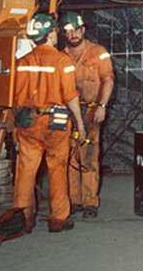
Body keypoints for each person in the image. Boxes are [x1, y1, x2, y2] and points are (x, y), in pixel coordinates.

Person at [11, 13, 87, 233]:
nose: (57, 33)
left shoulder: (22, 63)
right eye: (54, 30)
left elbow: (15, 98)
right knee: (57, 169)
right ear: (50, 34)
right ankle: (58, 220)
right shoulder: (62, 61)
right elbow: (71, 96)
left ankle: (22, 220)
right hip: (55, 125)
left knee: (25, 172)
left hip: (27, 123)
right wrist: (80, 125)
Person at [61, 11, 115, 219]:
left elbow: (108, 79)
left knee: (89, 157)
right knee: (70, 157)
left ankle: (90, 202)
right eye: (68, 31)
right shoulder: (62, 55)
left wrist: (102, 105)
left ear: (83, 30)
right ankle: (74, 200)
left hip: (91, 110)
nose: (73, 34)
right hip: (67, 113)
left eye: (76, 30)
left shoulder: (98, 52)